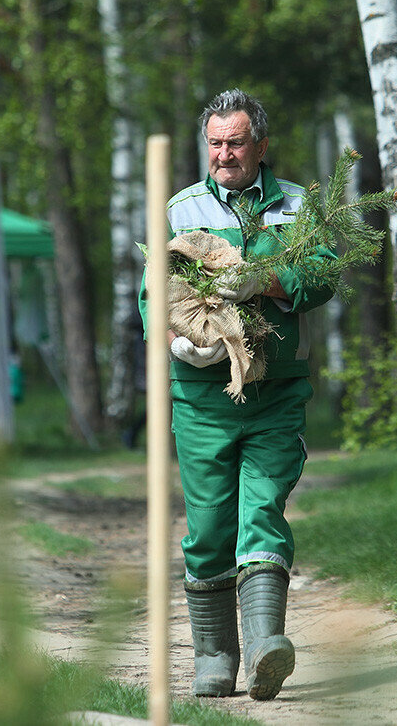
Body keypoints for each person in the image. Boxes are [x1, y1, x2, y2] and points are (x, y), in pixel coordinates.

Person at [138, 88, 336, 701]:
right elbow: (153, 292)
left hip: (276, 393)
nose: (224, 154)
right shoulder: (180, 208)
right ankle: (215, 656)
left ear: (261, 145)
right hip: (202, 396)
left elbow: (324, 271)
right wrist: (172, 337)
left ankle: (266, 645)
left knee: (262, 512)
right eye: (215, 143)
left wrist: (271, 277)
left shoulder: (296, 205)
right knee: (209, 527)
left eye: (236, 142)